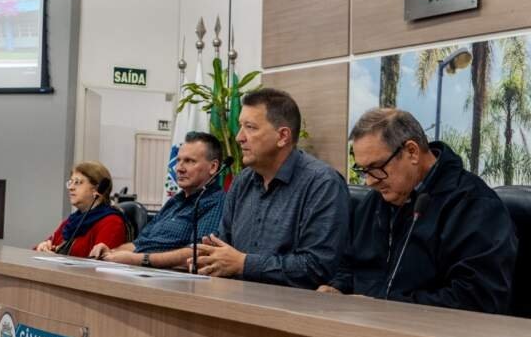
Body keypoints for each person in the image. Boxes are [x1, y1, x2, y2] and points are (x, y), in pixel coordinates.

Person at [319, 108, 518, 314]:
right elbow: (349, 266)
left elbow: (478, 299)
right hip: (364, 326)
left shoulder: (475, 204)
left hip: (434, 336)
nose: (369, 182)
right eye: (363, 171)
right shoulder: (374, 202)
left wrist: (383, 305)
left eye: (376, 167)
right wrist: (337, 289)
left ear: (412, 152)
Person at [192, 88, 349, 289]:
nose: (239, 137)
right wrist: (209, 260)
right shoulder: (243, 181)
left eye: (250, 127)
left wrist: (243, 264)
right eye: (241, 126)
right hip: (236, 300)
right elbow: (225, 247)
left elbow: (316, 267)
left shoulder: (322, 183)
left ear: (282, 136)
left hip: (291, 310)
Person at [89, 131, 225, 268]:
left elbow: (198, 253)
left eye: (189, 161)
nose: (179, 168)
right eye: (178, 161)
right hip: (139, 269)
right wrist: (111, 253)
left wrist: (140, 259)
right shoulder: (175, 201)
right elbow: (140, 243)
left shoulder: (215, 201)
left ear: (213, 167)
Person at [35, 161, 127, 258]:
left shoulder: (112, 222)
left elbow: (102, 264)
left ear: (97, 189)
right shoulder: (71, 221)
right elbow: (43, 246)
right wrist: (42, 247)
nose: (71, 187)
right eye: (70, 182)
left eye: (77, 182)